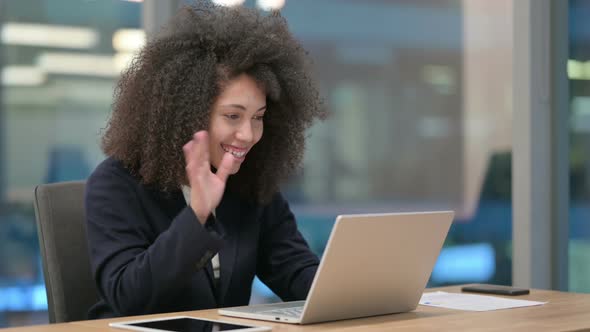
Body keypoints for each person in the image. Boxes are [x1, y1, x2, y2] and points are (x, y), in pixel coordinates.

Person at [85, 2, 325, 319]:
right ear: (186, 114)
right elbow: (130, 297)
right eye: (232, 116)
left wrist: (357, 289)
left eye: (258, 117)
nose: (249, 134)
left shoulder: (250, 183)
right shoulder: (115, 184)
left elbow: (294, 270)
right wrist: (196, 214)